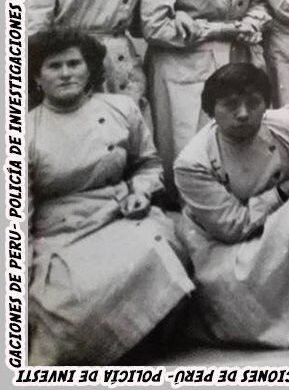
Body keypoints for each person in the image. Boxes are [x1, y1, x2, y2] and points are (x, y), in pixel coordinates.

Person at [26, 30, 192, 365]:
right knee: (68, 299)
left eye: (75, 63)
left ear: (89, 69)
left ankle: (141, 344)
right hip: (59, 232)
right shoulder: (24, 129)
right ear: (36, 78)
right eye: (54, 66)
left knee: (155, 245)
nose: (66, 72)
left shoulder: (121, 108)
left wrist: (141, 192)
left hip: (117, 215)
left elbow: (148, 164)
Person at [174, 64, 289, 347]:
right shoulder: (192, 163)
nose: (243, 113)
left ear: (266, 104)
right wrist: (284, 190)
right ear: (210, 110)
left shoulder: (286, 124)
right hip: (224, 244)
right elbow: (232, 226)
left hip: (275, 223)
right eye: (230, 105)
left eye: (253, 103)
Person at [141, 0, 269, 194]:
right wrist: (220, 29)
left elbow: (259, 2)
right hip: (186, 61)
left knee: (240, 132)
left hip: (238, 54)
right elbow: (156, 26)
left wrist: (252, 22)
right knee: (192, 138)